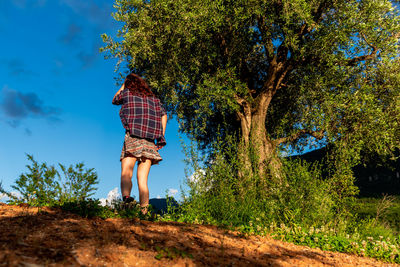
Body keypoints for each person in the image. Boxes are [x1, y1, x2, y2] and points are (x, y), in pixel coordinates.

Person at [112, 73, 167, 215]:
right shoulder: (154, 100)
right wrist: (161, 135)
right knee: (143, 181)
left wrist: (124, 84)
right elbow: (164, 115)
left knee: (126, 171)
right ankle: (144, 213)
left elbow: (114, 100)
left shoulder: (127, 93)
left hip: (133, 137)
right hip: (149, 141)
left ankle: (126, 201)